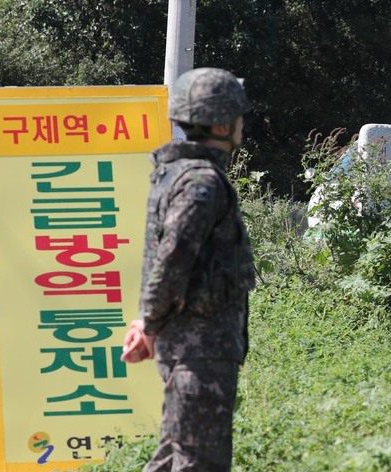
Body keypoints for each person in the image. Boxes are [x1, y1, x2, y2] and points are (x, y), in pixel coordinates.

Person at [120, 67, 256, 471]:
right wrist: (148, 323)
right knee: (200, 462)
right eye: (238, 115)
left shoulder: (176, 173)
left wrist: (150, 320)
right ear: (221, 123)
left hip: (193, 348)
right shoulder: (202, 182)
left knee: (174, 458)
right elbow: (172, 258)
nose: (242, 124)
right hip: (200, 351)